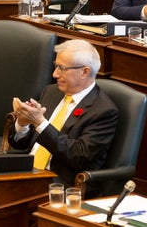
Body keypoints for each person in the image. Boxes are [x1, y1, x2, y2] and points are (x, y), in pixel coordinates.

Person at [9, 40, 118, 198]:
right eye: (56, 65)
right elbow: (20, 144)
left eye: (62, 68)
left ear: (85, 72)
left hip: (60, 185)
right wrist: (23, 123)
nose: (55, 74)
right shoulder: (51, 92)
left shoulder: (104, 111)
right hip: (25, 173)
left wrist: (40, 122)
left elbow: (78, 156)